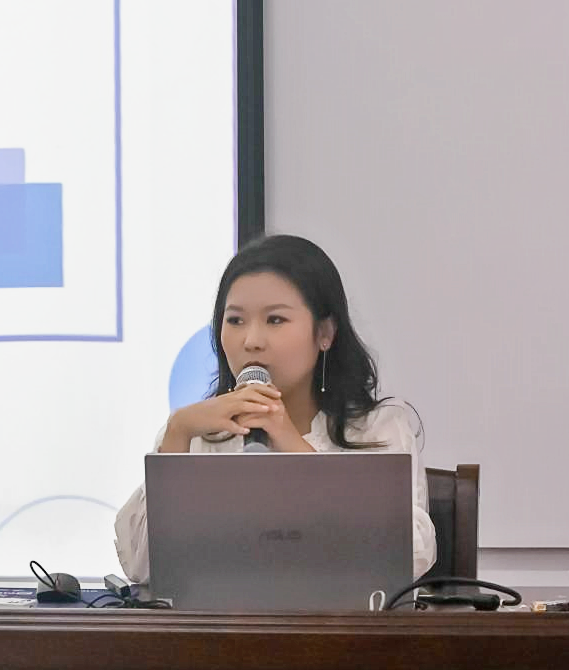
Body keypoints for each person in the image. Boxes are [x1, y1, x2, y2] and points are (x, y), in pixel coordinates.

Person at [114, 234, 436, 584]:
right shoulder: (194, 435)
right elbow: (143, 569)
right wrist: (178, 431)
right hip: (221, 619)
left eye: (275, 320)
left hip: (339, 620)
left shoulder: (379, 429)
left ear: (325, 333)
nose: (251, 340)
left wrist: (291, 445)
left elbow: (407, 558)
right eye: (235, 320)